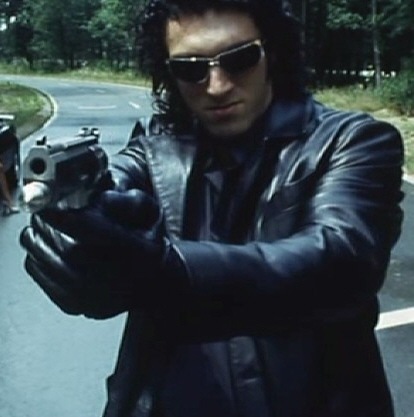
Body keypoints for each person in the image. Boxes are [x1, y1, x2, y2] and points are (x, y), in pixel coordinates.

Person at [20, 0, 405, 416]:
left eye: (239, 60)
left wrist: (170, 271)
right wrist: (78, 245)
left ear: (272, 52)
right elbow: (114, 188)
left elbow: (342, 259)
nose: (217, 86)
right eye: (190, 68)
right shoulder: (153, 151)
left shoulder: (352, 140)